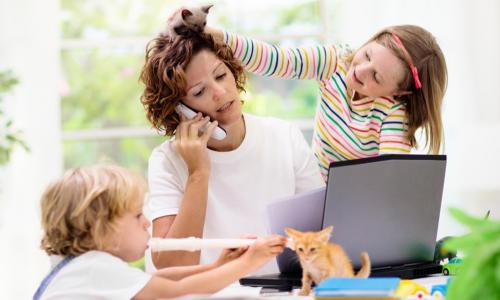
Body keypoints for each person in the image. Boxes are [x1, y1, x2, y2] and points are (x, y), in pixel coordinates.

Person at [139, 30, 324, 272]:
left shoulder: (284, 136)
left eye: (220, 75)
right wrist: (198, 172)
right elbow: (173, 267)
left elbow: (322, 233)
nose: (219, 92)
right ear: (178, 110)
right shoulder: (167, 161)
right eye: (199, 92)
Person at [203, 23, 448, 179]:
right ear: (371, 40)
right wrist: (223, 37)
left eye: (376, 76)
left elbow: (388, 179)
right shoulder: (335, 61)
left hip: (355, 203)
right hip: (313, 187)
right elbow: (279, 61)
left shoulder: (393, 114)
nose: (361, 70)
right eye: (367, 55)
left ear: (398, 92)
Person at [35, 164, 287, 300]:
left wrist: (219, 265)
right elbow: (177, 292)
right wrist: (250, 262)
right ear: (101, 228)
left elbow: (163, 280)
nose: (146, 222)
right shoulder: (93, 269)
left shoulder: (84, 267)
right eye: (137, 215)